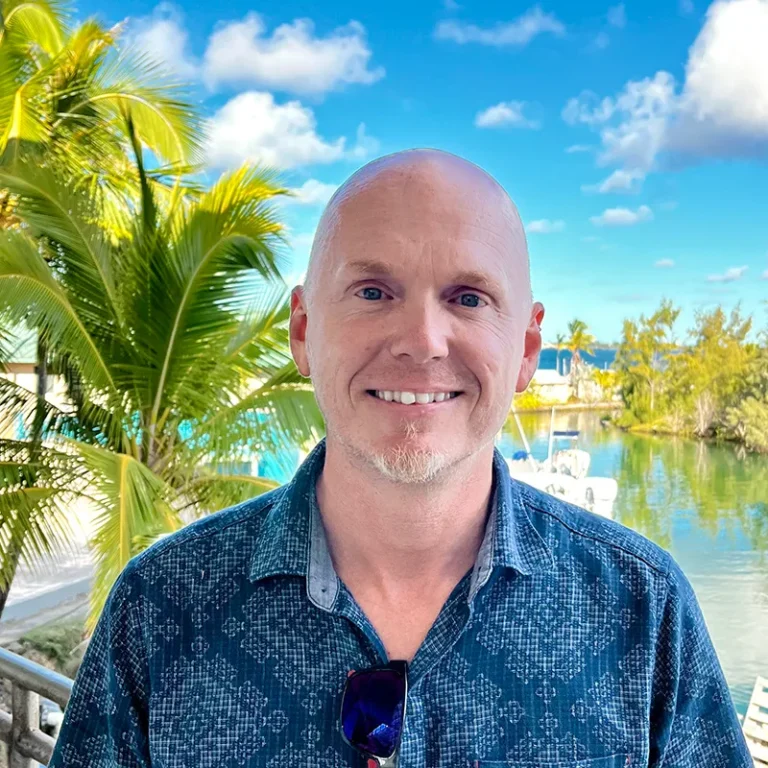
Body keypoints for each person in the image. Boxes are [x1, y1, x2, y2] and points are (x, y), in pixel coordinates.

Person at [48, 149, 751, 768]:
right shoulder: (160, 609)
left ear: (528, 350)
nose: (422, 339)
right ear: (302, 329)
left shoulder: (640, 610)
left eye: (468, 297)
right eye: (373, 292)